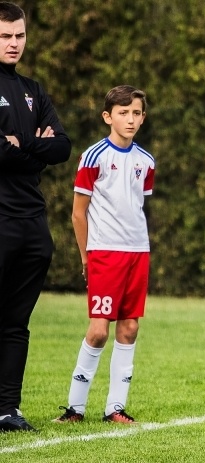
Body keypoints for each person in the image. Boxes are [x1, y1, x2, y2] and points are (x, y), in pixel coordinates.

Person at [53, 85, 155, 425]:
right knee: (98, 331)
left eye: (136, 113)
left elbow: (138, 206)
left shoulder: (146, 161)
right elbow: (78, 213)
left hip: (137, 252)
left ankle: (116, 408)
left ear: (143, 117)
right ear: (107, 117)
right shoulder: (93, 156)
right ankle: (74, 409)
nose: (130, 119)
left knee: (129, 328)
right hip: (105, 253)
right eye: (123, 113)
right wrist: (86, 256)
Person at [0, 1, 72, 433]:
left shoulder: (33, 88)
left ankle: (7, 408)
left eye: (19, 35)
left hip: (32, 225)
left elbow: (61, 147)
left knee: (16, 323)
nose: (14, 43)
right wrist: (34, 147)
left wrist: (18, 145)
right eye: (6, 35)